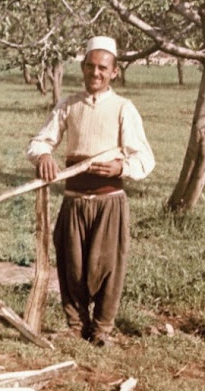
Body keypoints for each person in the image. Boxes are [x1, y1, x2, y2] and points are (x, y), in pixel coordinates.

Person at [26, 35, 155, 346]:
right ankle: (75, 324)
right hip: (73, 200)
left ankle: (102, 328)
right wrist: (43, 155)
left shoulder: (124, 108)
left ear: (114, 72)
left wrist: (120, 168)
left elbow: (145, 158)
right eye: (90, 66)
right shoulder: (68, 105)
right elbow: (41, 140)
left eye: (103, 68)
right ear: (82, 68)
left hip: (109, 201)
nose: (95, 73)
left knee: (108, 265)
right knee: (71, 264)